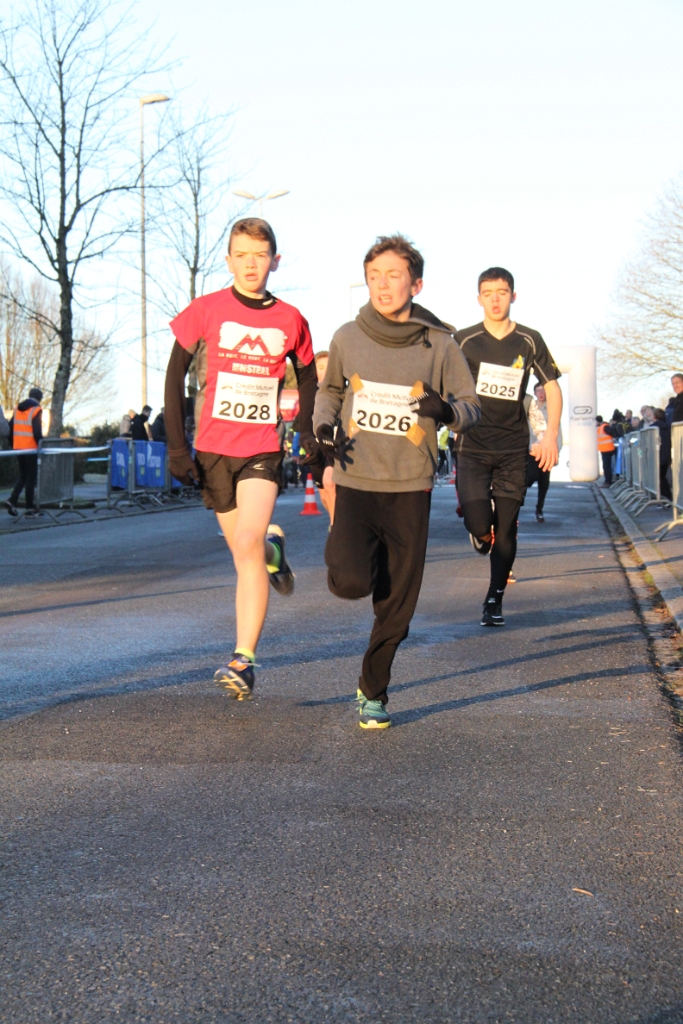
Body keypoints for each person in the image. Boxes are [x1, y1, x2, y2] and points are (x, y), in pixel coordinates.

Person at [313, 234, 479, 729]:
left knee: (398, 605)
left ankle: (373, 690)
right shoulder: (347, 336)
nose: (382, 285)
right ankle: (346, 546)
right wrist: (323, 426)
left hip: (410, 485)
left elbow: (471, 407)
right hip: (357, 478)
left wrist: (444, 409)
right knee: (351, 582)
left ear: (416, 284)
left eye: (393, 275)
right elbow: (330, 391)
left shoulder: (440, 344)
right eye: (374, 276)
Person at [164, 217, 318, 700]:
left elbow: (308, 376)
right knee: (245, 552)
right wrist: (176, 447)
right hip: (213, 450)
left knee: (247, 540)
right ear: (228, 260)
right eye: (242, 255)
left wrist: (307, 431)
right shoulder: (206, 309)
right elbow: (173, 375)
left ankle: (243, 659)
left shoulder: (290, 318)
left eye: (260, 255)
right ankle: (273, 552)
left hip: (261, 449)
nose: (251, 264)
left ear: (275, 261)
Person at [455, 268, 562, 627]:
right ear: (479, 299)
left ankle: (494, 598)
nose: (495, 299)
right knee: (479, 524)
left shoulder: (529, 340)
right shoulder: (464, 340)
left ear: (513, 296)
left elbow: (553, 388)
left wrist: (549, 436)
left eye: (502, 292)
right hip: (472, 446)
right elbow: (443, 385)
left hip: (513, 450)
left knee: (507, 527)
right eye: (488, 293)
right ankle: (479, 533)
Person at [5, 387, 44, 518]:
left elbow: (10, 428)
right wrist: (41, 444)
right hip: (31, 448)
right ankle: (29, 508)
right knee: (31, 477)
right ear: (39, 399)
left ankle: (12, 500)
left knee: (23, 475)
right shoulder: (36, 409)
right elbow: (37, 431)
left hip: (19, 447)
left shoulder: (17, 409)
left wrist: (14, 444)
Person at [526, 381, 561, 522]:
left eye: (544, 390)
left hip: (546, 449)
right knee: (529, 477)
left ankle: (539, 509)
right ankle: (513, 505)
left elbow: (558, 430)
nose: (541, 393)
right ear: (535, 393)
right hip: (531, 449)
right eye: (538, 390)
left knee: (544, 482)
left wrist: (557, 449)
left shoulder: (552, 408)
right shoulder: (530, 407)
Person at [312, 350, 336, 523]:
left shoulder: (342, 392)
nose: (325, 371)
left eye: (329, 367)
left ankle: (336, 529)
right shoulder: (309, 394)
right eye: (320, 367)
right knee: (324, 495)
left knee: (330, 482)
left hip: (335, 446)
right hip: (316, 449)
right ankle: (335, 521)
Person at [652, 408, 672, 501]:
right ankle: (666, 498)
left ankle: (666, 498)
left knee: (660, 478)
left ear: (654, 416)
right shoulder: (667, 427)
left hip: (658, 455)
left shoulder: (653, 428)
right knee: (662, 477)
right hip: (666, 454)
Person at [596, 415, 615, 486]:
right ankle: (607, 481)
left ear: (598, 421)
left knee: (607, 466)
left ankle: (608, 481)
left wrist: (615, 437)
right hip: (605, 449)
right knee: (606, 466)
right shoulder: (602, 427)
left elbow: (612, 432)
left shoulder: (604, 427)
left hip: (607, 449)